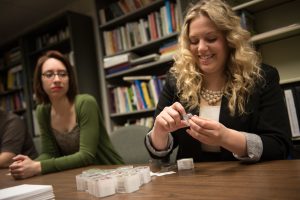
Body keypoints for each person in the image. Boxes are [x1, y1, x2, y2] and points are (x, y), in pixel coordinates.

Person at [145, 0, 292, 163]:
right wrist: (159, 131)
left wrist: (226, 137)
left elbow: (279, 146)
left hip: (248, 180)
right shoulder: (176, 80)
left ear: (230, 40)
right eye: (194, 41)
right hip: (191, 181)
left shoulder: (262, 77)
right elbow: (157, 153)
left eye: (211, 38)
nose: (201, 48)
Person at [9, 50, 123, 179]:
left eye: (62, 74)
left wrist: (38, 166)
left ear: (69, 79)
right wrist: (28, 164)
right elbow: (49, 153)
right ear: (40, 80)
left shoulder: (85, 103)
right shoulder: (42, 111)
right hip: (80, 177)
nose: (57, 79)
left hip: (112, 174)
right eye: (49, 74)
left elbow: (86, 155)